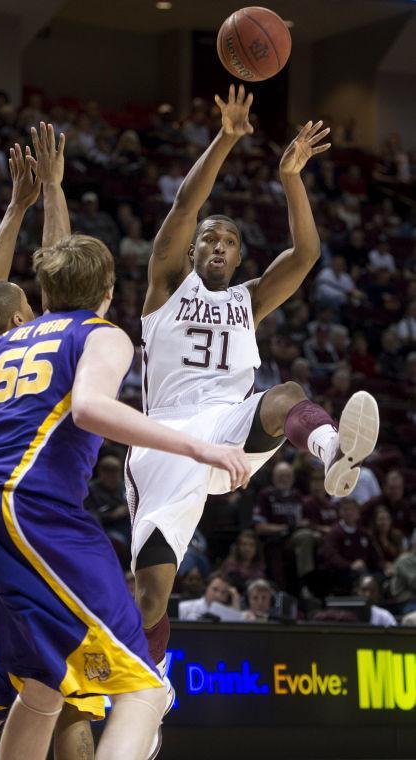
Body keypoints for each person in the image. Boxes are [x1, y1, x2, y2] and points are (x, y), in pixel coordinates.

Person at [0, 228, 250, 760]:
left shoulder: (9, 342)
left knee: (43, 687)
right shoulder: (103, 334)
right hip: (34, 509)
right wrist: (198, 448)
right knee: (145, 684)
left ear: (42, 293)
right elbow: (88, 408)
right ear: (108, 291)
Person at [125, 84, 379, 729]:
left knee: (287, 393)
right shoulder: (163, 286)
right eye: (209, 239)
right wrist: (229, 137)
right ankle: (147, 691)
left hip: (231, 423)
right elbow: (186, 202)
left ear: (240, 256)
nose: (216, 246)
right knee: (150, 597)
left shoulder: (248, 301)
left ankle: (331, 454)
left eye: (229, 242)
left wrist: (291, 177)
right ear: (190, 251)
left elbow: (307, 255)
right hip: (163, 442)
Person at [0, 128, 104, 760]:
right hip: (40, 532)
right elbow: (63, 269)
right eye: (28, 304)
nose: (37, 304)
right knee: (69, 709)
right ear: (19, 317)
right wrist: (53, 192)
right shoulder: (55, 342)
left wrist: (14, 208)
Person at [323, 499, 382, 593]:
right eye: (345, 509)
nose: (349, 512)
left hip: (364, 570)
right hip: (343, 572)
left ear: (358, 513)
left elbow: (374, 555)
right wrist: (350, 565)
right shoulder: (334, 533)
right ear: (340, 512)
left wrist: (384, 566)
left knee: (382, 577)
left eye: (352, 510)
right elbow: (332, 556)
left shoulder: (363, 533)